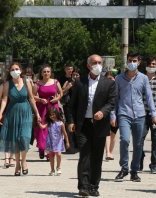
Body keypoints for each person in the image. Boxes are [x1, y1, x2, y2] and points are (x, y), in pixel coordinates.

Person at [67, 54, 116, 197]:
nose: (98, 65)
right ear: (88, 65)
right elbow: (71, 105)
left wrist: (103, 112)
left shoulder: (109, 83)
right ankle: (83, 186)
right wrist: (71, 121)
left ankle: (94, 186)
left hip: (100, 125)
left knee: (97, 157)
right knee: (85, 155)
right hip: (84, 125)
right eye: (94, 62)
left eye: (100, 62)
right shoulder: (79, 82)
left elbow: (111, 102)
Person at [113, 52, 156, 183]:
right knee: (124, 140)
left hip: (140, 115)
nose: (132, 63)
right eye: (130, 60)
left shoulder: (143, 79)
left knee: (138, 144)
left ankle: (134, 171)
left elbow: (149, 98)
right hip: (124, 113)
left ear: (139, 62)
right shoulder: (119, 79)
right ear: (126, 61)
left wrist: (154, 115)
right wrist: (113, 114)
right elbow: (115, 98)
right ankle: (124, 169)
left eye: (134, 60)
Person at [0, 62, 41, 176]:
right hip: (12, 113)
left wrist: (37, 113)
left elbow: (31, 98)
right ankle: (17, 164)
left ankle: (24, 161)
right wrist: (0, 113)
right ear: (9, 72)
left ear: (21, 70)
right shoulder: (7, 84)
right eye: (12, 69)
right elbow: (4, 99)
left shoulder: (27, 82)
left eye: (16, 69)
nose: (14, 71)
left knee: (24, 137)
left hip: (26, 112)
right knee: (15, 138)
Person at [140, 57, 156, 174]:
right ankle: (139, 159)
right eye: (149, 64)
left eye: (154, 64)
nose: (151, 65)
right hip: (142, 114)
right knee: (139, 138)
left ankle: (153, 164)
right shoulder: (140, 78)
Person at [34, 64, 63, 160]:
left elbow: (60, 93)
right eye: (44, 72)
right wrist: (40, 99)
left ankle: (49, 152)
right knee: (42, 129)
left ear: (51, 73)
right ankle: (42, 149)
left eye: (48, 71)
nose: (46, 73)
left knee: (53, 129)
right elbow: (32, 96)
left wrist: (57, 99)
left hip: (53, 107)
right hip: (42, 108)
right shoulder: (38, 83)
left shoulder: (55, 82)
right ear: (41, 73)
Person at [39, 107, 69, 176]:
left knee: (58, 154)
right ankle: (52, 169)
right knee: (51, 155)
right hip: (51, 142)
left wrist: (67, 142)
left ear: (56, 114)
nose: (52, 116)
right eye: (50, 115)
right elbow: (43, 127)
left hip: (58, 141)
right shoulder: (49, 123)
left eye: (53, 114)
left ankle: (58, 167)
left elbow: (65, 133)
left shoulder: (61, 123)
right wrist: (39, 122)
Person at [61, 67, 80, 154]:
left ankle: (78, 146)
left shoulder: (82, 83)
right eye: (74, 75)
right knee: (69, 126)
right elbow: (61, 93)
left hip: (79, 107)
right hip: (68, 107)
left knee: (78, 126)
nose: (75, 76)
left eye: (77, 75)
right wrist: (68, 87)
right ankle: (70, 147)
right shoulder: (68, 82)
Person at [104, 70, 118, 161]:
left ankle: (110, 152)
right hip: (106, 112)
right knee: (107, 133)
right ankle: (107, 152)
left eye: (111, 78)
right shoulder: (103, 88)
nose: (109, 80)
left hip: (117, 112)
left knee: (113, 133)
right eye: (107, 78)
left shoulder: (118, 87)